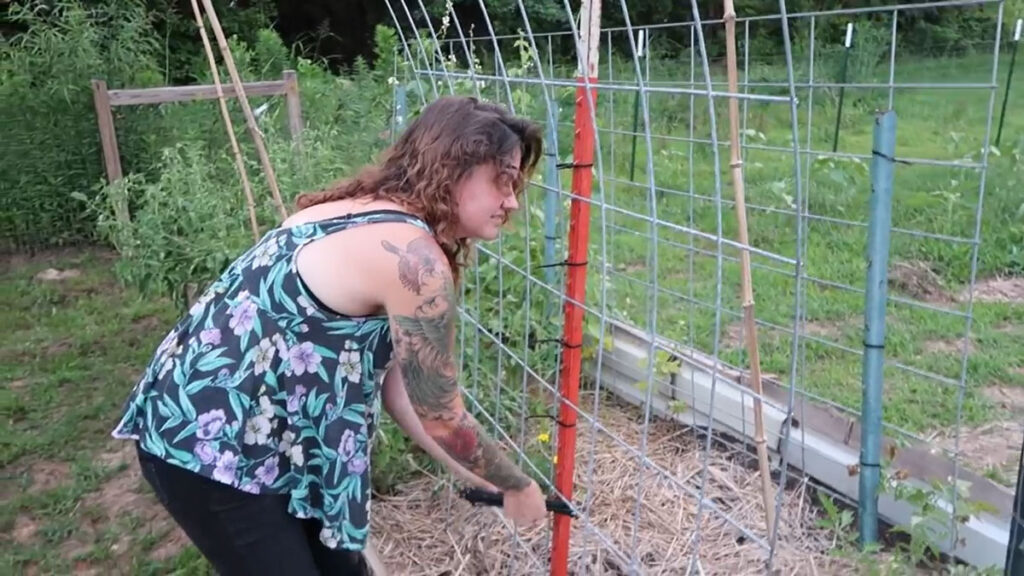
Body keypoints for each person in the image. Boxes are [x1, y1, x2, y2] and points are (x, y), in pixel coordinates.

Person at [110, 95, 549, 575]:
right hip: (208, 448)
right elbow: (442, 414)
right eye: (503, 180)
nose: (512, 201)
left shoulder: (358, 209)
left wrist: (488, 481)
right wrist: (518, 486)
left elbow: (401, 389)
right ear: (453, 167)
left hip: (252, 435)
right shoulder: (414, 259)